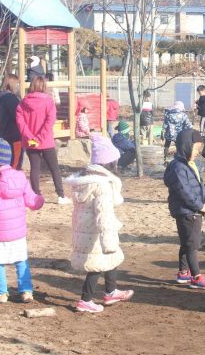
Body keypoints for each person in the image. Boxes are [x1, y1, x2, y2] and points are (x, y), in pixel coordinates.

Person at [66, 134, 134, 313]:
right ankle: (85, 300)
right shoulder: (102, 185)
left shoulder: (86, 181)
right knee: (96, 265)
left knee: (111, 259)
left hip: (85, 229)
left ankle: (111, 291)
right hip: (97, 232)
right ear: (109, 163)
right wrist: (108, 239)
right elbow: (103, 214)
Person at [0, 139, 44, 303]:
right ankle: (26, 291)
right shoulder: (19, 177)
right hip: (18, 232)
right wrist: (40, 200)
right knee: (21, 261)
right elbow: (32, 200)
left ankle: (1, 293)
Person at [163, 129, 205, 290]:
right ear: (185, 146)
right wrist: (199, 206)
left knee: (186, 242)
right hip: (187, 212)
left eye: (199, 149)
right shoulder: (178, 167)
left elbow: (200, 186)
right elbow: (184, 191)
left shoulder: (190, 164)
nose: (197, 152)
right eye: (195, 149)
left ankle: (183, 272)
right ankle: (196, 277)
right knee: (192, 245)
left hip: (192, 210)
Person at [16, 76, 71, 205]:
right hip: (46, 141)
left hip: (30, 142)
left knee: (35, 168)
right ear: (43, 87)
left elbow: (20, 122)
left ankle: (36, 195)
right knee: (54, 168)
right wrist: (40, 138)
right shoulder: (48, 101)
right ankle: (60, 195)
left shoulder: (23, 103)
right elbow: (50, 121)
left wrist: (30, 137)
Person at [0, 74, 23, 169]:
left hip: (4, 134)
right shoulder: (11, 99)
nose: (18, 86)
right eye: (17, 84)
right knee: (15, 163)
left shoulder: (2, 98)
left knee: (6, 163)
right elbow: (18, 116)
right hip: (14, 136)